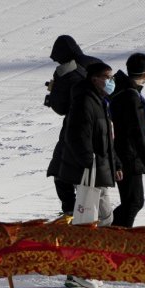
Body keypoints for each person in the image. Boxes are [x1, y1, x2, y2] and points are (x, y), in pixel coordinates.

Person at [59, 62, 123, 288]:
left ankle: (89, 266)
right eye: (108, 77)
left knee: (105, 219)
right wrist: (89, 163)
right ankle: (78, 272)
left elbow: (106, 138)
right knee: (87, 222)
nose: (111, 81)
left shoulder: (100, 101)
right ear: (95, 78)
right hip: (90, 172)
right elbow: (77, 137)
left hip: (100, 170)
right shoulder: (85, 101)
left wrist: (114, 162)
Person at [46, 35, 101, 217]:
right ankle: (90, 211)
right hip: (98, 125)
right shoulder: (95, 63)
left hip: (73, 127)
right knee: (88, 173)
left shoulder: (64, 72)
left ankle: (71, 211)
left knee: (61, 171)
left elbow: (60, 107)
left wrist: (54, 91)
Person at [110, 53, 145, 227]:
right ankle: (112, 233)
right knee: (134, 202)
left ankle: (112, 231)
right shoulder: (131, 96)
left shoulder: (121, 89)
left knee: (132, 202)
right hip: (129, 156)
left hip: (122, 153)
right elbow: (137, 133)